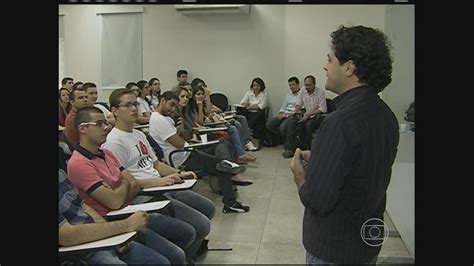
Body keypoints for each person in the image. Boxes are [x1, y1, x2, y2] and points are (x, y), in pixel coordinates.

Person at [290, 25, 399, 264]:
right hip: (365, 243)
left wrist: (300, 176)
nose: (325, 66)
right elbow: (361, 165)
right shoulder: (385, 115)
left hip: (334, 248)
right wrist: (322, 156)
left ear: (349, 67)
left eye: (330, 60)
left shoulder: (339, 122)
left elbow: (318, 199)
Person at [67, 106, 196, 264]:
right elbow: (114, 202)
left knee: (179, 249)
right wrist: (124, 185)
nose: (107, 128)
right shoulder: (79, 163)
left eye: (106, 123)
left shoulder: (106, 153)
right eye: (100, 124)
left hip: (131, 208)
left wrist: (119, 189)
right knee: (165, 260)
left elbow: (133, 183)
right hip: (114, 218)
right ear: (83, 128)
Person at [103, 88, 216, 262]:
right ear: (115, 111)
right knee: (199, 226)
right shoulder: (113, 142)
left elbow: (155, 164)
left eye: (135, 104)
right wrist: (159, 182)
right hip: (144, 196)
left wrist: (179, 173)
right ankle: (185, 259)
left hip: (162, 185)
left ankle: (188, 256)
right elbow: (126, 182)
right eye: (127, 105)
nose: (134, 109)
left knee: (208, 209)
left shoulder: (139, 134)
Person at [150, 91, 250, 213]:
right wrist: (180, 132)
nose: (172, 109)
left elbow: (183, 137)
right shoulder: (159, 120)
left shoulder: (163, 118)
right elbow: (180, 143)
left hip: (188, 151)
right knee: (222, 165)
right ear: (162, 101)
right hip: (183, 157)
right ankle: (230, 194)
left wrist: (181, 132)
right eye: (171, 105)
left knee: (221, 147)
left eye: (174, 106)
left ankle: (230, 170)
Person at [58, 169, 171, 264]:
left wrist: (113, 236)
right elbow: (67, 236)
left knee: (163, 261)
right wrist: (126, 226)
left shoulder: (61, 173)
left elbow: (84, 206)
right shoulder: (79, 164)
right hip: (75, 251)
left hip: (95, 235)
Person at [266, 76, 301, 158]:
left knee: (283, 127)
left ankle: (288, 149)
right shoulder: (288, 95)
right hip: (284, 114)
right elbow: (283, 106)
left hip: (293, 115)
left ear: (298, 84)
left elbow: (299, 109)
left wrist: (287, 115)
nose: (291, 87)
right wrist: (281, 113)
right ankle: (283, 138)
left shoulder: (302, 95)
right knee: (269, 125)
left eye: (293, 84)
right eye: (290, 85)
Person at [293, 75, 327, 150]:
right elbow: (299, 103)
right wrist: (297, 108)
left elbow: (323, 109)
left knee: (308, 125)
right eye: (306, 85)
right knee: (297, 122)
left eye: (309, 85)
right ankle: (297, 147)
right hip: (306, 114)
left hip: (317, 116)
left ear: (314, 84)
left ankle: (307, 148)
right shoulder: (302, 90)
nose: (307, 87)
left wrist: (308, 114)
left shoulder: (320, 92)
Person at [239, 77, 269, 149]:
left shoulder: (264, 94)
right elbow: (242, 102)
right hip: (249, 113)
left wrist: (250, 106)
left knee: (259, 115)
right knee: (240, 112)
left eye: (257, 85)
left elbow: (261, 106)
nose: (255, 87)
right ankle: (246, 139)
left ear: (261, 86)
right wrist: (248, 105)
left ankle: (254, 139)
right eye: (254, 85)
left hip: (258, 113)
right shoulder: (249, 92)